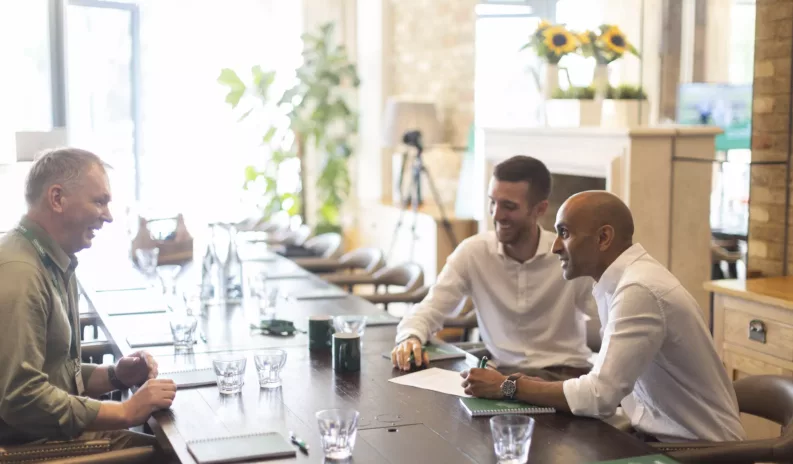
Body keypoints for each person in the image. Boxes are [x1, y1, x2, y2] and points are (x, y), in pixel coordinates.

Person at [460, 190, 745, 442]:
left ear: (603, 238)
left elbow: (599, 396)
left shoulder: (638, 289)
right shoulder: (620, 282)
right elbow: (607, 385)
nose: (555, 246)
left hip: (698, 452)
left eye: (564, 233)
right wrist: (529, 384)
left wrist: (508, 386)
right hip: (654, 437)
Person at [0, 148, 176, 451]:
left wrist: (115, 376)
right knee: (172, 452)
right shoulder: (21, 273)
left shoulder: (51, 258)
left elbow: (56, 371)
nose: (108, 216)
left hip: (46, 435)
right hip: (29, 447)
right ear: (57, 199)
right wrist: (125, 411)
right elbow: (21, 399)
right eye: (99, 201)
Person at [391, 155, 597, 381]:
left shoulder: (569, 256)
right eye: (492, 202)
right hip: (504, 378)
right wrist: (410, 337)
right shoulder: (473, 252)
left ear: (539, 209)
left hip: (563, 377)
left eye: (509, 206)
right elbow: (430, 309)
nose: (496, 214)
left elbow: (611, 322)